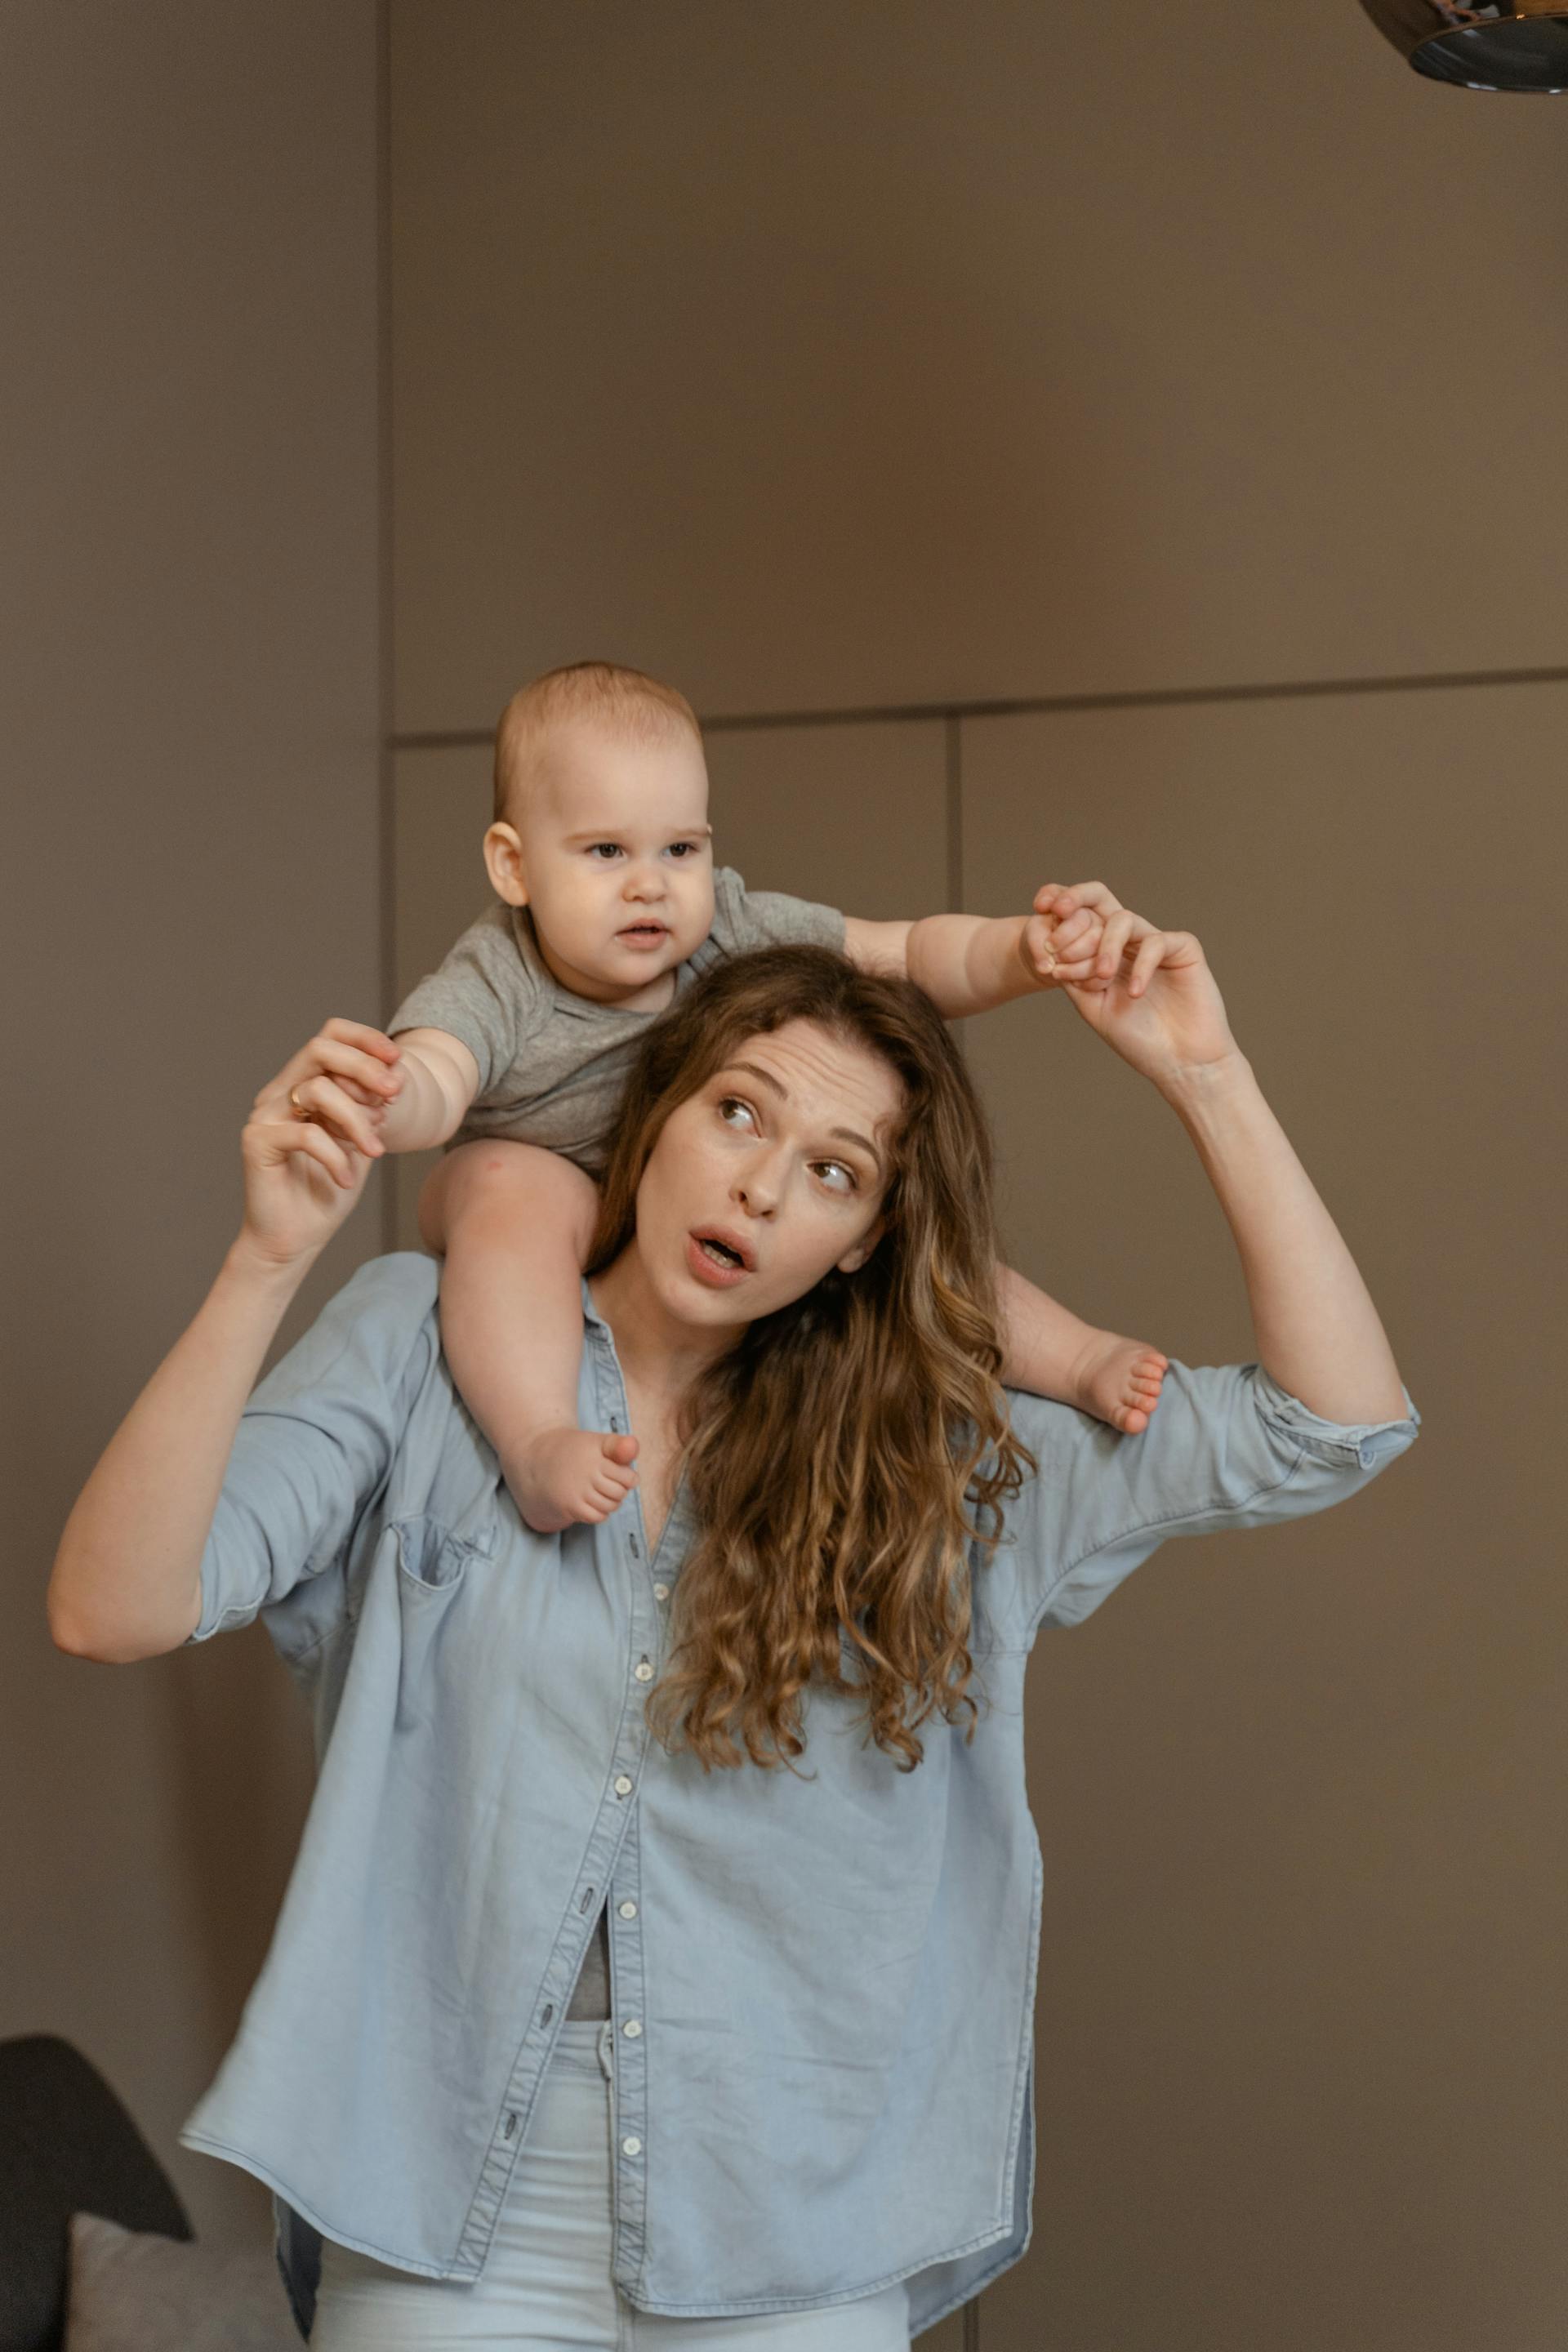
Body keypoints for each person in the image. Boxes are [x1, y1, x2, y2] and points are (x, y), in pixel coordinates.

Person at [49, 886, 1420, 2348]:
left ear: (861, 1241)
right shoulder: (414, 1350)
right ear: (653, 1118)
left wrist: (1206, 1077)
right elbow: (115, 1607)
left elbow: (1333, 1426)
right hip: (449, 2196)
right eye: (741, 1116)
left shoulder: (937, 1458)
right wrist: (268, 1257)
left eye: (834, 1172)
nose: (763, 1190)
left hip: (793, 2222)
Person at [353, 658, 1169, 1535]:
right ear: (513, 866)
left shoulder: (729, 929)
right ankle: (537, 1440)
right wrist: (384, 1100)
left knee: (888, 1240)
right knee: (510, 1185)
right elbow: (439, 1070)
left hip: (678, 1198)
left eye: (681, 849)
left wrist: (1021, 953)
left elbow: (908, 952)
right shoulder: (500, 973)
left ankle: (1077, 1358)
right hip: (558, 1196)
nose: (650, 883)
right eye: (605, 851)